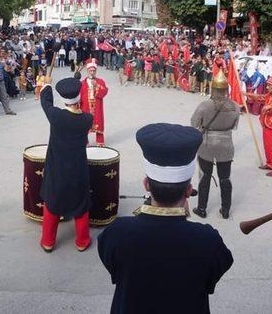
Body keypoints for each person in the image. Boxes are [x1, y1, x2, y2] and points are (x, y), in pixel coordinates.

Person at [98, 123, 233, 313]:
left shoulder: (117, 232)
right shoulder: (208, 240)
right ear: (188, 190)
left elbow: (115, 270)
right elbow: (213, 277)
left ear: (146, 184)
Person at [39, 77, 94, 252]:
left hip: (57, 168)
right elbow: (80, 111)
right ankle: (82, 241)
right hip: (78, 169)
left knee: (52, 202)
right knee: (81, 204)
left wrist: (47, 85)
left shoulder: (56, 116)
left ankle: (48, 241)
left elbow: (45, 102)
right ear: (79, 97)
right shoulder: (87, 119)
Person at [190, 70, 240, 219]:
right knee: (225, 178)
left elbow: (193, 124)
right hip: (226, 144)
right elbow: (235, 126)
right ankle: (225, 210)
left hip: (207, 144)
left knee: (205, 176)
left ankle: (202, 208)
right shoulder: (235, 106)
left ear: (213, 88)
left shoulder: (205, 105)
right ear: (225, 90)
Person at [79, 59, 109, 146]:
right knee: (85, 124)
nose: (92, 72)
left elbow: (105, 91)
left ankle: (100, 141)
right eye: (90, 70)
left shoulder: (100, 81)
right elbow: (79, 95)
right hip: (85, 106)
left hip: (97, 106)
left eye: (94, 70)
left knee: (98, 122)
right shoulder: (82, 83)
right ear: (87, 71)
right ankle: (85, 141)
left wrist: (97, 87)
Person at [0, 51, 16, 116]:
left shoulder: (1, 63)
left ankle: (8, 110)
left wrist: (6, 64)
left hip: (1, 81)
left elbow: (7, 70)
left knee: (4, 96)